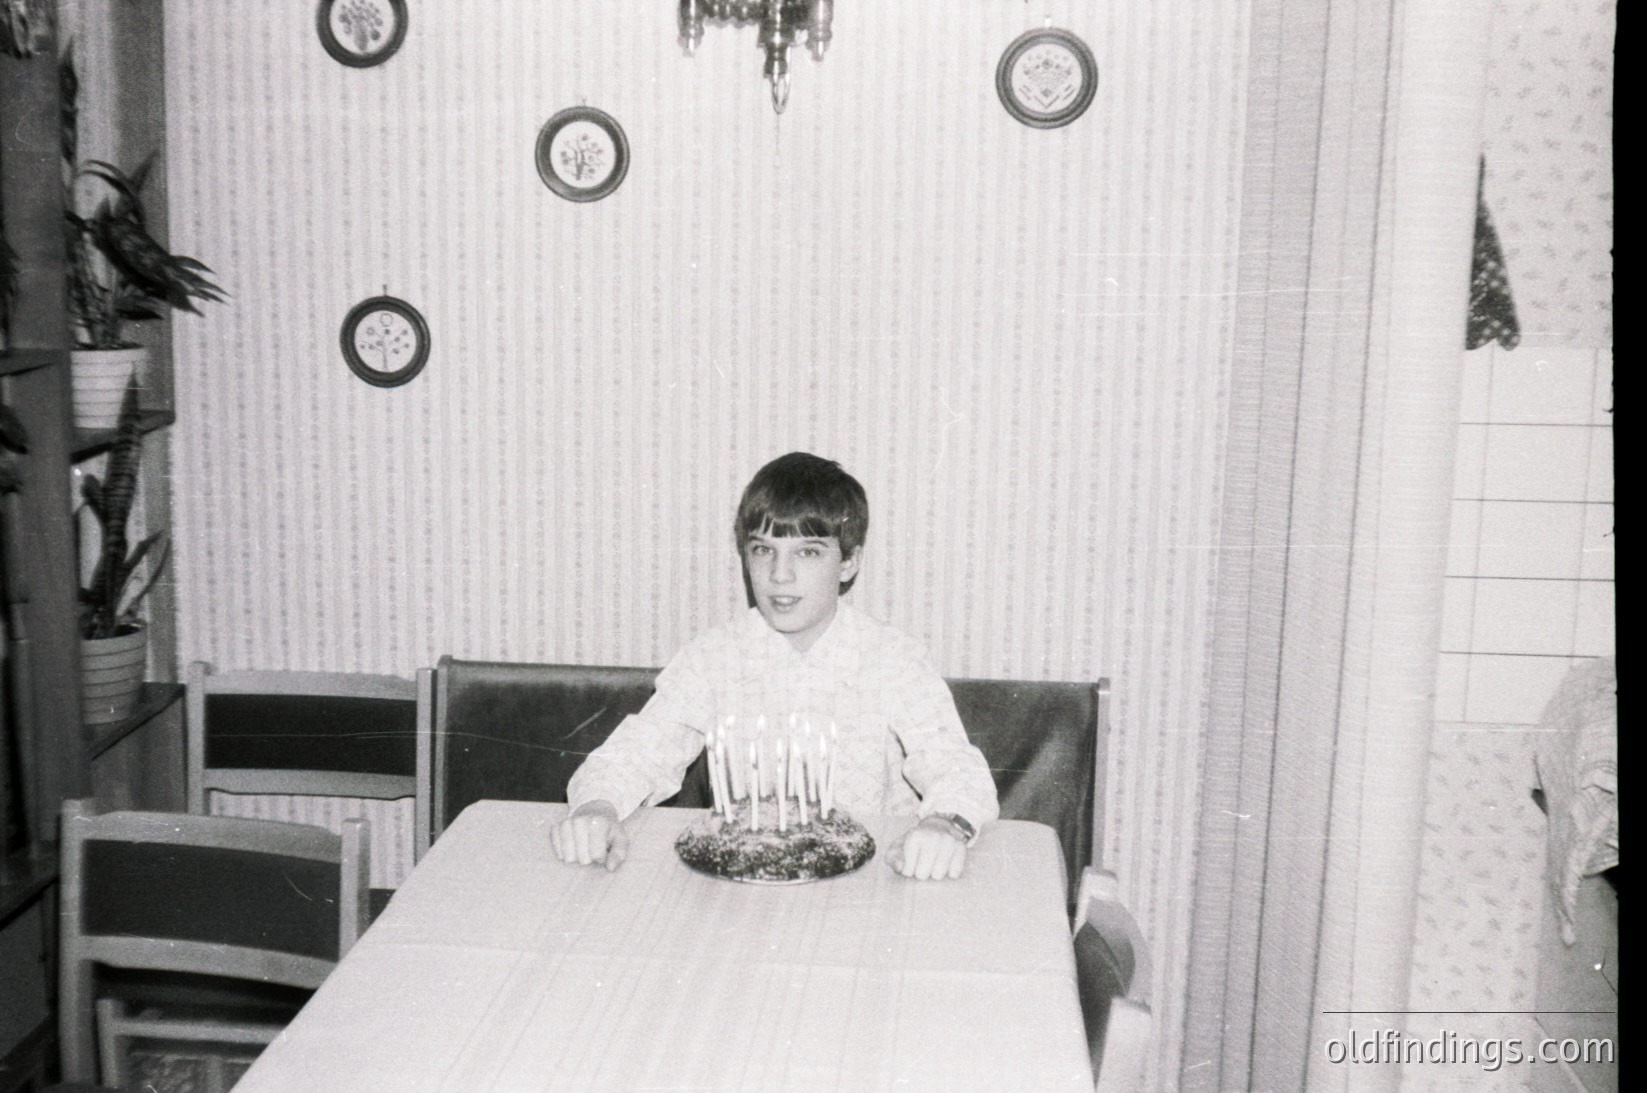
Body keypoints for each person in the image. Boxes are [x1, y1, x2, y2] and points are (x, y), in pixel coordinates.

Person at [550, 451, 999, 880]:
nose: (779, 576)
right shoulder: (715, 656)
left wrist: (946, 824)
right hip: (748, 883)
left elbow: (956, 768)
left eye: (808, 552)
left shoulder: (892, 658)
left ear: (849, 562)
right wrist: (597, 808)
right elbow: (637, 752)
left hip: (870, 881)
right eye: (764, 550)